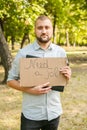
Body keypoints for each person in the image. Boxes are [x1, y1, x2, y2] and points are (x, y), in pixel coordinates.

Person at [7, 15, 71, 130]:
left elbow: (63, 81)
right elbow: (10, 80)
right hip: (31, 115)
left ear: (52, 29)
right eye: (40, 28)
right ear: (35, 30)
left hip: (53, 113)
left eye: (47, 27)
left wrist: (67, 77)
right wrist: (30, 90)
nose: (44, 31)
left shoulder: (61, 53)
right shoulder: (23, 53)